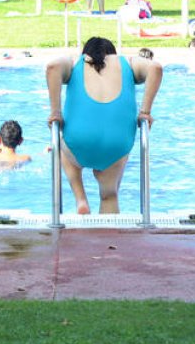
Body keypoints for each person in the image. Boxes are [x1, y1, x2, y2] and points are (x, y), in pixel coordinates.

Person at [47, 36, 163, 215]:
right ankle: (110, 240)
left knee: (60, 148)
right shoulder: (127, 63)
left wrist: (55, 112)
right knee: (109, 195)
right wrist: (145, 112)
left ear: (86, 52)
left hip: (78, 140)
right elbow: (156, 67)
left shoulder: (76, 62)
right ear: (112, 54)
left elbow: (52, 67)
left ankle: (81, 199)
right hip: (117, 143)